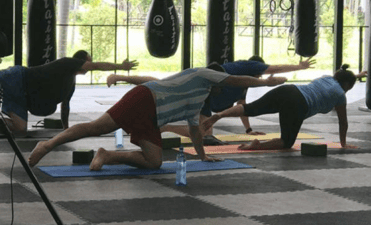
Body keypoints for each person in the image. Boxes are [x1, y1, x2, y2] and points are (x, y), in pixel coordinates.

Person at [28, 64, 287, 170]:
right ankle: (47, 145)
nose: (224, 86)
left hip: (152, 117)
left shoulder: (199, 97)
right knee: (97, 127)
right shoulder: (202, 73)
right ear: (216, 76)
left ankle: (106, 155)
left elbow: (195, 130)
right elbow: (236, 79)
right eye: (222, 81)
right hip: (144, 100)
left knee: (154, 162)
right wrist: (265, 82)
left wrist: (203, 154)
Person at [107, 56, 315, 146]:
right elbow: (275, 69)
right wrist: (299, 68)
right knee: (162, 85)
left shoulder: (246, 83)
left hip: (207, 99)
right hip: (204, 90)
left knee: (205, 134)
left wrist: (249, 131)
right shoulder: (250, 67)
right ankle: (122, 78)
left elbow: (241, 106)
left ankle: (163, 127)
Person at [201, 64, 362, 150]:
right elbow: (343, 122)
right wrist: (343, 143)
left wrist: (356, 75)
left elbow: (341, 77)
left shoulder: (326, 77)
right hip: (298, 104)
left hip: (288, 90)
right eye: (349, 87)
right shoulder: (340, 94)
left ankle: (219, 115)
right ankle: (257, 146)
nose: (347, 91)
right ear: (346, 85)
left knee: (249, 108)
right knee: (286, 143)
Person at [0, 50, 138, 135]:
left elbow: (65, 107)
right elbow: (97, 66)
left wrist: (66, 130)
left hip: (21, 97)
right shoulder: (66, 63)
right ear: (80, 62)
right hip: (16, 78)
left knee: (20, 130)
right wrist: (121, 66)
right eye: (88, 62)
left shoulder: (70, 85)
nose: (90, 66)